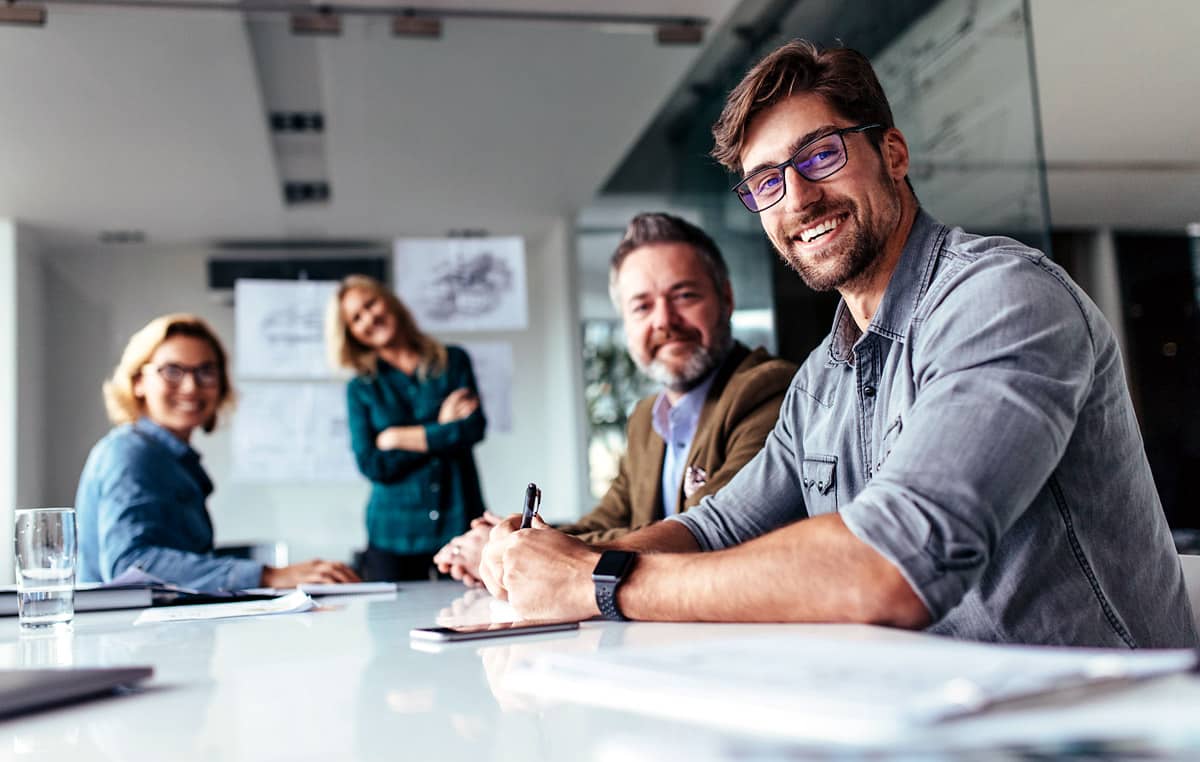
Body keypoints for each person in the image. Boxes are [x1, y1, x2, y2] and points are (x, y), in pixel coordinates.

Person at [479, 40, 1198, 648]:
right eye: (765, 182)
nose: (796, 199)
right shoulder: (823, 376)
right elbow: (716, 525)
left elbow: (892, 565)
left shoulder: (1001, 299)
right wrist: (560, 559)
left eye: (819, 156)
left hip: (1109, 726)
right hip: (939, 716)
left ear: (892, 152)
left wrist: (598, 582)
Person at [434, 213, 796, 586]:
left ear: (727, 298)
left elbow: (707, 530)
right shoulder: (646, 418)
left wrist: (516, 551)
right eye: (642, 306)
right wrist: (517, 541)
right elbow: (608, 520)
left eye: (684, 295)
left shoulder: (766, 390)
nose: (663, 321)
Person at [76, 313, 360, 592]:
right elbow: (130, 565)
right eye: (172, 371)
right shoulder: (131, 453)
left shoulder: (172, 459)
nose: (191, 386)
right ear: (138, 381)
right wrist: (267, 576)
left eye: (206, 372)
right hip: (124, 636)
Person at [329, 274, 487, 581]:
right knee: (389, 626)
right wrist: (441, 427)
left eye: (370, 304)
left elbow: (472, 429)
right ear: (351, 333)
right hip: (392, 535)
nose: (368, 318)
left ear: (389, 301)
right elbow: (373, 464)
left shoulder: (453, 361)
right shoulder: (361, 387)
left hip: (459, 521)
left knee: (472, 617)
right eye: (356, 318)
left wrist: (398, 437)